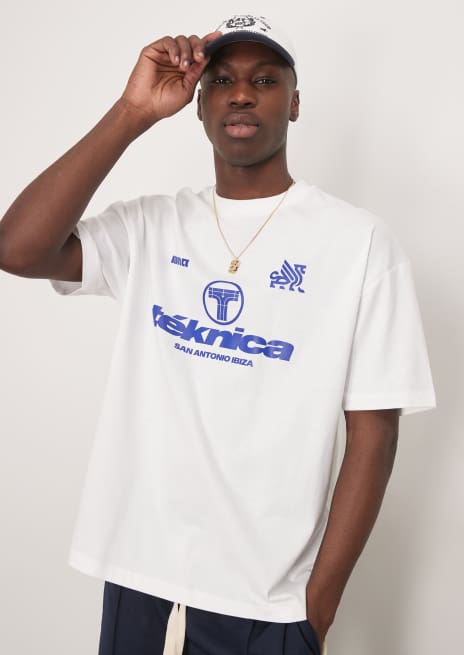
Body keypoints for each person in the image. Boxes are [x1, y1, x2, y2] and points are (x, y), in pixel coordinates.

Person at [0, 13, 436, 655]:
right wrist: (131, 113)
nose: (241, 94)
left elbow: (375, 432)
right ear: (200, 104)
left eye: (264, 80)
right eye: (223, 80)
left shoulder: (359, 244)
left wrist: (317, 611)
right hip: (140, 578)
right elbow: (18, 248)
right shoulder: (153, 225)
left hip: (268, 603)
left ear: (294, 103)